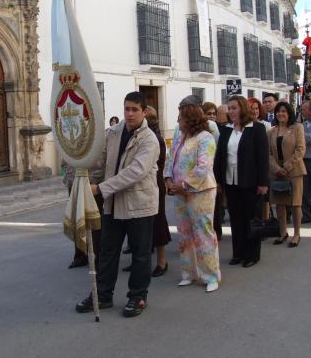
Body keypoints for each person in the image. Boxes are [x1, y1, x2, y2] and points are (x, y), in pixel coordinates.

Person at [77, 91, 159, 318]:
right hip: (112, 204)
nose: (130, 114)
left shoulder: (149, 140)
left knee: (141, 255)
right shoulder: (112, 133)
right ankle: (102, 295)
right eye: (127, 109)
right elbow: (101, 162)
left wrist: (100, 189)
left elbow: (135, 172)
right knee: (108, 252)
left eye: (134, 109)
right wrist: (87, 178)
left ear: (144, 111)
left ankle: (138, 296)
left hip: (139, 205)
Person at [164, 102, 219, 292]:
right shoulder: (180, 137)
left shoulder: (206, 138)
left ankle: (211, 275)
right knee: (184, 233)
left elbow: (204, 166)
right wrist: (168, 179)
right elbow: (171, 158)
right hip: (179, 193)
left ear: (190, 119)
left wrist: (183, 184)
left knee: (203, 233)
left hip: (200, 192)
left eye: (180, 117)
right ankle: (189, 273)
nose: (178, 121)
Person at [214, 95, 269, 268]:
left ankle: (251, 254)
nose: (230, 112)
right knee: (236, 219)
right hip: (231, 181)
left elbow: (262, 158)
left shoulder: (257, 129)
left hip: (251, 181)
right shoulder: (226, 130)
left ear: (243, 109)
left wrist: (263, 182)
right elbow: (220, 157)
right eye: (229, 108)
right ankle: (238, 253)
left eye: (234, 108)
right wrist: (218, 181)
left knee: (250, 218)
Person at [268, 102, 306, 247]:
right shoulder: (271, 131)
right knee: (280, 203)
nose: (280, 114)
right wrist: (277, 169)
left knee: (295, 204)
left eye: (284, 111)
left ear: (289, 113)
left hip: (294, 171)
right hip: (277, 173)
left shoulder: (297, 128)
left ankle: (297, 234)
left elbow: (300, 150)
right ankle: (282, 232)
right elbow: (269, 153)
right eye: (278, 111)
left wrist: (286, 166)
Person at [62, 159, 103, 269]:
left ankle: (99, 256)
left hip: (92, 182)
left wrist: (94, 179)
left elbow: (102, 158)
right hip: (74, 180)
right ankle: (80, 255)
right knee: (76, 217)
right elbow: (66, 154)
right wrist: (68, 171)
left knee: (95, 220)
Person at [144, 106, 171, 277]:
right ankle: (141, 260)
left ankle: (162, 261)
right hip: (145, 186)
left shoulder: (156, 138)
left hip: (155, 185)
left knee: (158, 223)